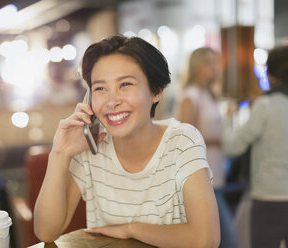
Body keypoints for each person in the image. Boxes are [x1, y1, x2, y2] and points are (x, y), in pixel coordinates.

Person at [34, 35, 220, 248]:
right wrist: (60, 153)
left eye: (125, 84)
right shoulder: (90, 148)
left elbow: (206, 239)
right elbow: (45, 231)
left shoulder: (182, 141)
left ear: (156, 91)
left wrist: (130, 229)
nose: (112, 101)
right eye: (100, 88)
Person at [222, 45, 288, 248]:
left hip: (268, 194)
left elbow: (232, 146)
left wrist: (228, 117)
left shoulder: (265, 106)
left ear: (270, 72)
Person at [174, 47, 239, 248]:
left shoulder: (207, 95)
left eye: (215, 62)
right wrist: (219, 141)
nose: (214, 68)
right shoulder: (191, 95)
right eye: (209, 63)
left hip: (215, 174)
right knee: (227, 239)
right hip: (202, 176)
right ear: (197, 66)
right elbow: (186, 135)